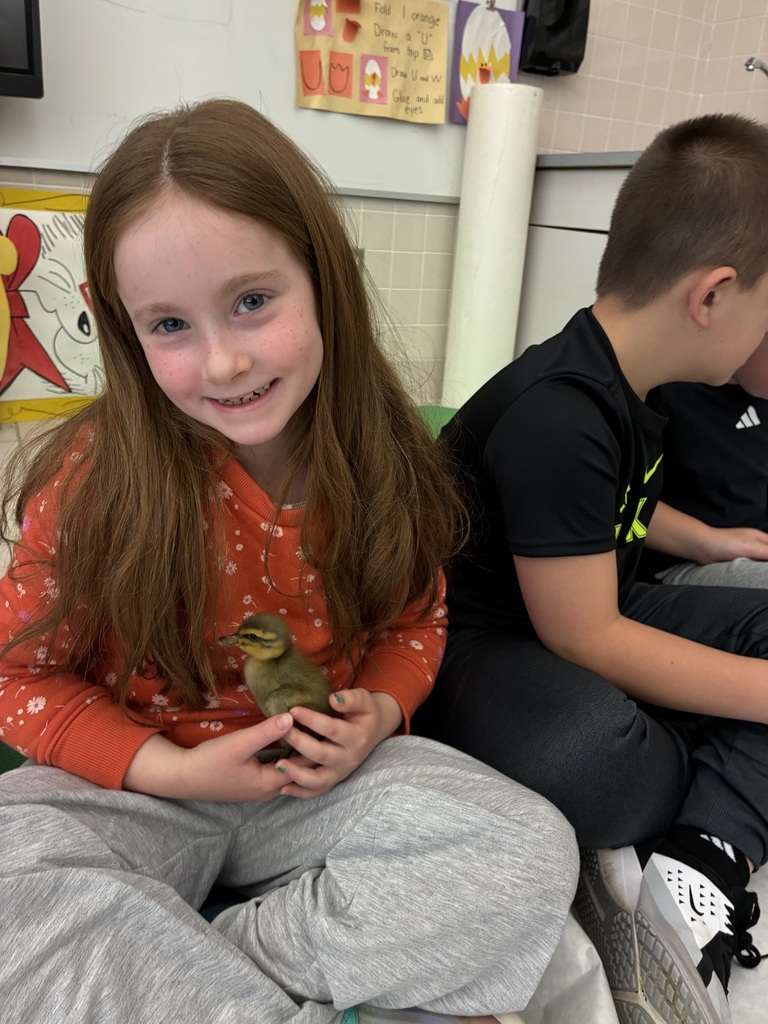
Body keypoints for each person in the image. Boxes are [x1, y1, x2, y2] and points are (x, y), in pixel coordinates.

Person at [0, 99, 578, 1024]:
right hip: (141, 789)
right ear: (121, 330)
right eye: (169, 326)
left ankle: (202, 957)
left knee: (529, 851)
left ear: (326, 280)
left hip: (319, 788)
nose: (224, 362)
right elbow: (19, 681)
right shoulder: (94, 476)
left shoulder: (387, 455)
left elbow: (414, 619)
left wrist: (380, 710)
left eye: (253, 301)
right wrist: (172, 772)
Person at [412, 113, 768, 1024]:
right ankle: (691, 788)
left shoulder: (628, 386)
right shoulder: (560, 410)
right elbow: (586, 635)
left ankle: (702, 855)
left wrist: (716, 543)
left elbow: (622, 514)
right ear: (715, 294)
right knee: (602, 763)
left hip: (581, 613)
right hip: (479, 649)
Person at [638, 335, 768, 587]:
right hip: (678, 563)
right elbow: (614, 501)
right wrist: (708, 541)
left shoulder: (759, 392)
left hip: (751, 548)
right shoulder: (663, 390)